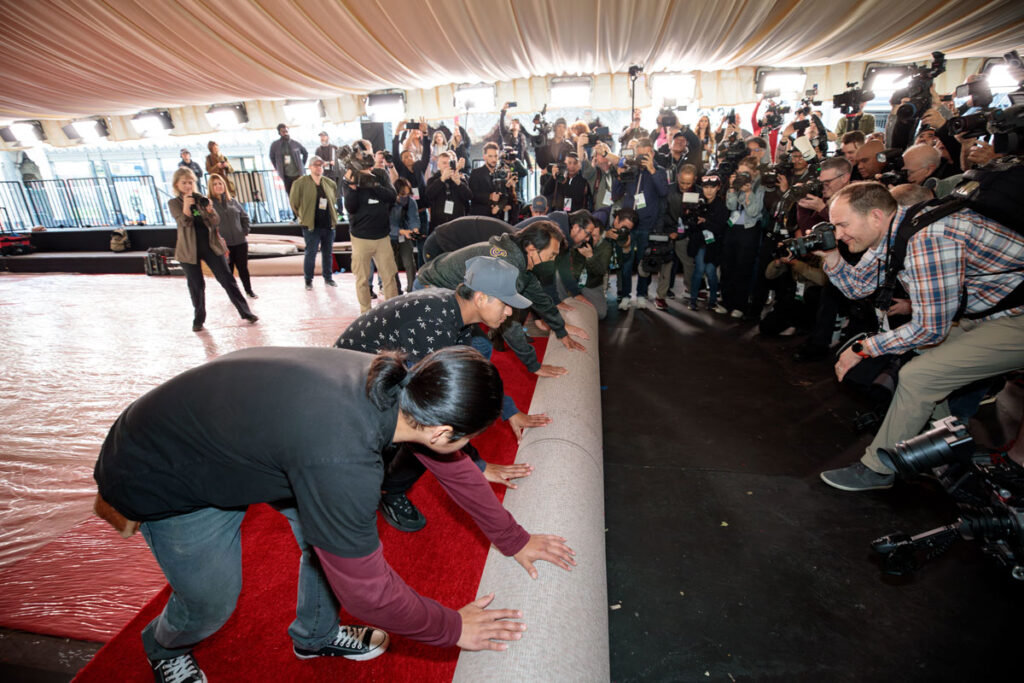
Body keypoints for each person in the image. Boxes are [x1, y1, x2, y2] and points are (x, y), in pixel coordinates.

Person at [93, 346, 576, 683]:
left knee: (321, 539)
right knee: (210, 603)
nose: (465, 449)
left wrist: (513, 539)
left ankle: (315, 636)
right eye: (468, 437)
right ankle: (165, 645)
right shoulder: (345, 459)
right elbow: (369, 594)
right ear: (442, 428)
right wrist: (452, 628)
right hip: (162, 468)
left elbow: (454, 467)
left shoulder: (395, 381)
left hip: (248, 441)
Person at [817, 182, 1024, 491]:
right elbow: (858, 287)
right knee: (922, 361)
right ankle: (940, 451)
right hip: (988, 313)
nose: (839, 234)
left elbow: (930, 328)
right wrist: (832, 255)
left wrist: (862, 348)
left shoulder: (929, 237)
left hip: (1015, 317)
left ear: (875, 216)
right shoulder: (895, 230)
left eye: (842, 225)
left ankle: (879, 469)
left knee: (920, 376)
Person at [335, 257, 552, 530]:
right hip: (351, 391)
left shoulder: (455, 311)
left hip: (380, 369)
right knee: (430, 432)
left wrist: (508, 411)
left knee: (479, 352)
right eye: (505, 304)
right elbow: (439, 409)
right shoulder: (432, 326)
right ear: (482, 298)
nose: (509, 312)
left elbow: (469, 376)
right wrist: (478, 465)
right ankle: (391, 489)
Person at [167, 168, 257, 332]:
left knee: (227, 279)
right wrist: (186, 204)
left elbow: (215, 221)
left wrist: (209, 210)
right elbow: (184, 222)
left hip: (210, 245)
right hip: (188, 249)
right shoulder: (174, 203)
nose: (188, 186)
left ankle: (246, 312)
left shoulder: (201, 199)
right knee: (196, 285)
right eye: (184, 183)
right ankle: (198, 319)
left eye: (190, 182)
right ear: (176, 185)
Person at [344, 151, 400, 312]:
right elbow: (350, 207)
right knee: (361, 279)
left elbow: (391, 196)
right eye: (363, 167)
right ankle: (365, 312)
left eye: (369, 167)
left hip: (382, 235)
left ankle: (392, 311)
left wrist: (374, 184)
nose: (367, 170)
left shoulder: (380, 174)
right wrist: (353, 187)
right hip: (361, 237)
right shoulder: (349, 179)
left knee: (389, 276)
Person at [290, 156, 339, 290]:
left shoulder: (329, 183)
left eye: (321, 165)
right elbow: (294, 202)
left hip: (328, 224)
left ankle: (328, 278)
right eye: (316, 165)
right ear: (310, 167)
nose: (319, 168)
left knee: (327, 253)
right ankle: (308, 280)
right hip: (311, 226)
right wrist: (303, 216)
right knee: (310, 253)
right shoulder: (301, 183)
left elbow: (333, 199)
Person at [208, 173, 256, 299]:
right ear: (210, 187)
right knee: (228, 271)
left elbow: (244, 216)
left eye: (220, 183)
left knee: (243, 269)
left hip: (240, 242)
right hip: (224, 245)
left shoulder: (233, 201)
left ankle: (249, 290)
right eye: (215, 184)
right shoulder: (209, 205)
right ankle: (234, 295)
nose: (218, 186)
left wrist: (245, 230)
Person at [687, 174, 729, 311]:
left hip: (714, 245)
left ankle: (713, 301)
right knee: (699, 270)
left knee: (711, 272)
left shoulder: (722, 206)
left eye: (712, 187)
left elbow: (721, 227)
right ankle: (693, 300)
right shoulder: (697, 202)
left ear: (718, 188)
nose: (709, 190)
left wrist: (705, 222)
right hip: (700, 242)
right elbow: (690, 224)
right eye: (706, 187)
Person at [389, 178, 420, 294]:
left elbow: (414, 218)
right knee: (392, 266)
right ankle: (397, 291)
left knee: (409, 263)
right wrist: (401, 231)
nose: (405, 197)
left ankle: (412, 290)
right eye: (402, 194)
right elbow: (386, 225)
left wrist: (415, 230)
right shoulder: (388, 203)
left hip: (405, 236)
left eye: (408, 194)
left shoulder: (411, 202)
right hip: (389, 238)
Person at [269, 124, 308, 196]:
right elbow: (272, 157)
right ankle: (293, 207)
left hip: (298, 174)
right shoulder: (275, 145)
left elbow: (305, 153)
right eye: (283, 131)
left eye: (286, 131)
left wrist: (302, 165)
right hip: (286, 176)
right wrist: (277, 168)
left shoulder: (295, 143)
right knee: (291, 195)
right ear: (279, 132)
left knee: (302, 194)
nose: (285, 133)